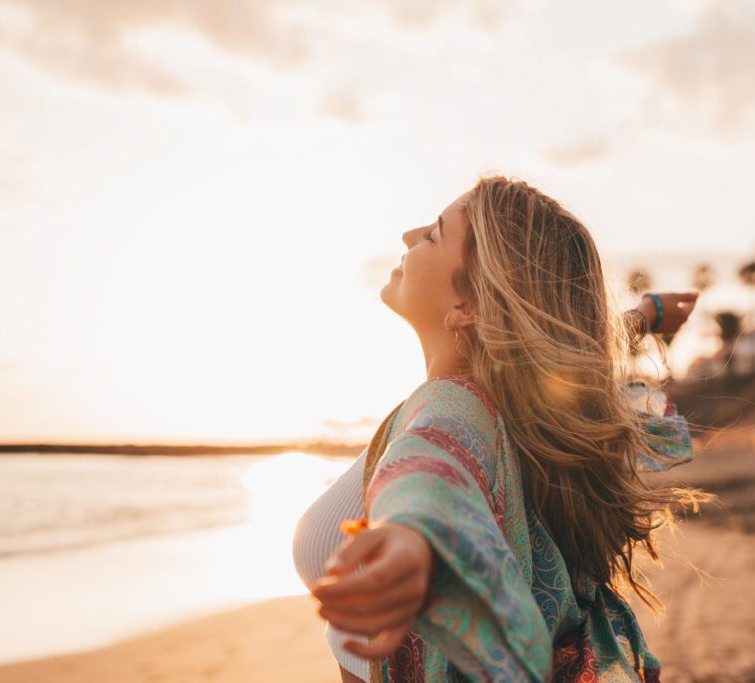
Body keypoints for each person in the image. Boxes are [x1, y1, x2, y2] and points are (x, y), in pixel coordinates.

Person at [293, 175, 708, 682]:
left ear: (468, 307)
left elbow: (432, 473)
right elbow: (564, 358)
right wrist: (643, 317)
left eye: (433, 235)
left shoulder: (453, 407)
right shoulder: (511, 405)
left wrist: (416, 541)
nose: (408, 235)